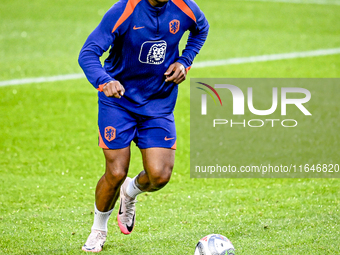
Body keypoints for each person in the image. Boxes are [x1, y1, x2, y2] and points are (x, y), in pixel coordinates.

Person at [78, 0, 209, 252]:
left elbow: (201, 29)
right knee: (115, 171)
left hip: (158, 102)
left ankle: (130, 191)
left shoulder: (185, 7)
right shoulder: (123, 11)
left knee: (159, 175)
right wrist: (104, 80)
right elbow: (88, 53)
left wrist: (184, 61)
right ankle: (98, 229)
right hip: (119, 102)